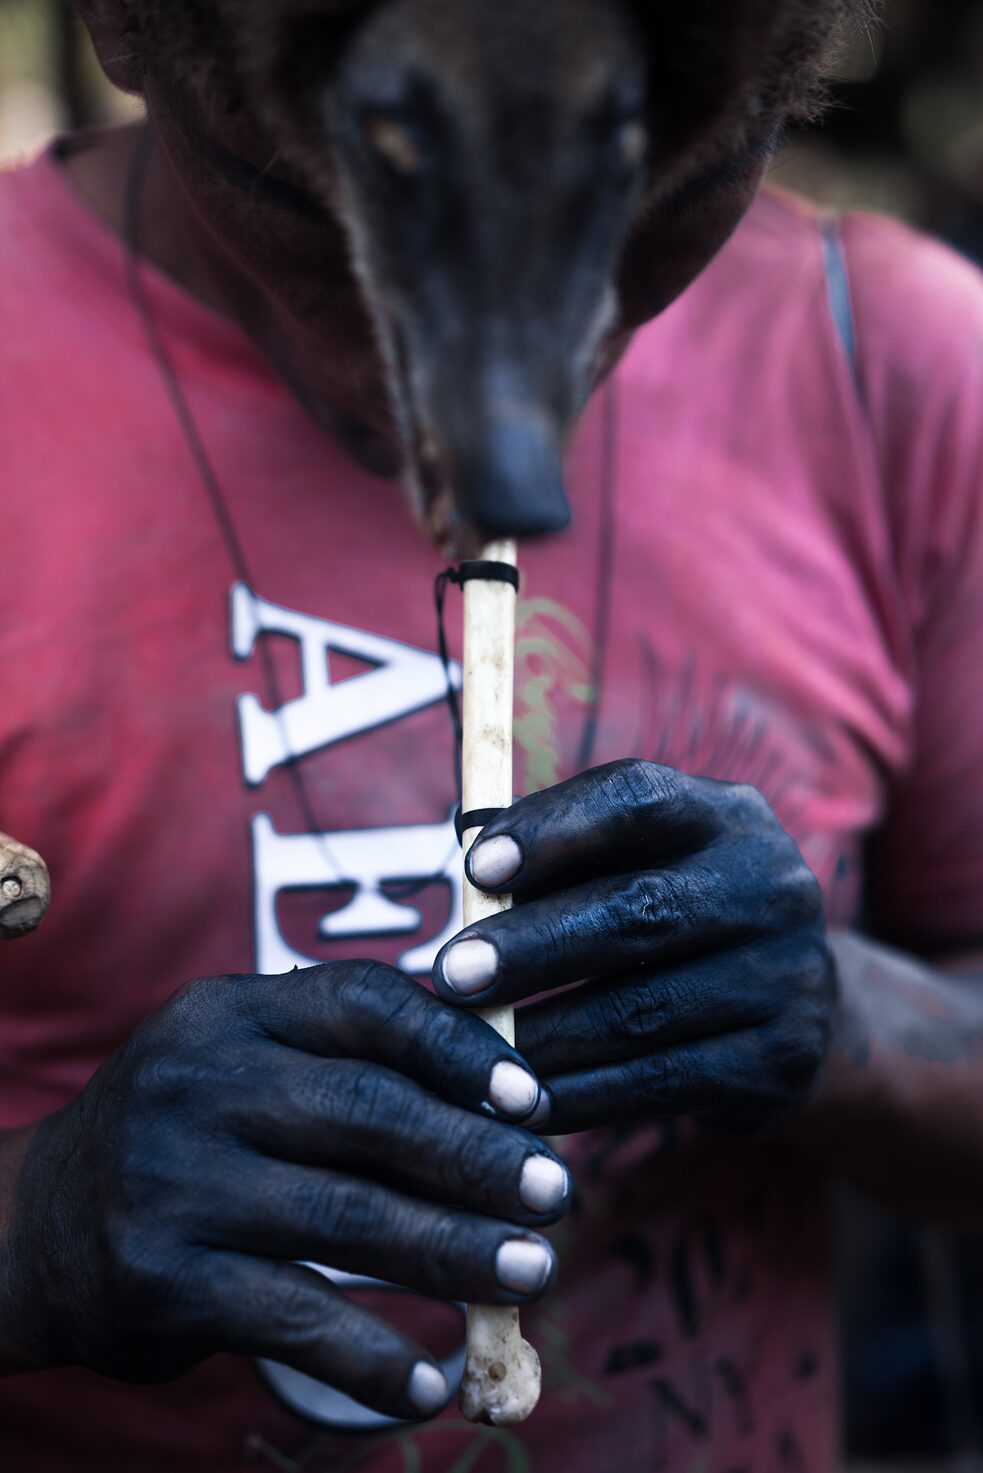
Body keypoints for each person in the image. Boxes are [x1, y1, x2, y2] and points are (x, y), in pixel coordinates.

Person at [2, 1, 982, 1469]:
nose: (503, 397)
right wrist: (33, 1226)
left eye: (628, 196)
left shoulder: (894, 367)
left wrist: (845, 1022)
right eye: (359, 182)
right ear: (126, 27)